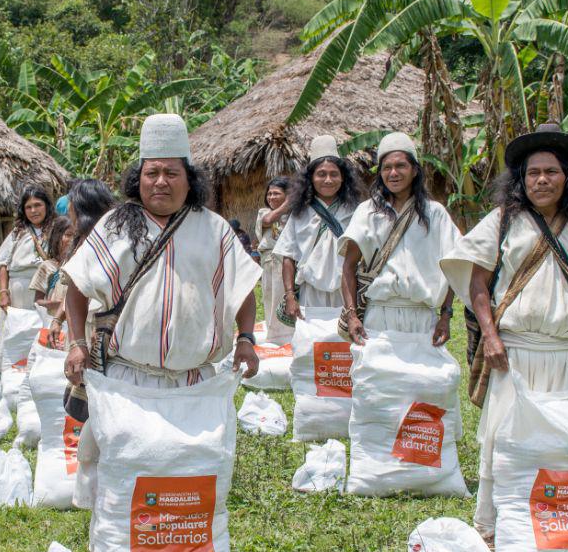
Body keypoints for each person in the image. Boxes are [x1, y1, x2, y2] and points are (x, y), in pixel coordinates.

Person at [440, 122, 568, 540]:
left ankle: (558, 527)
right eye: (532, 173)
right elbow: (478, 285)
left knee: (564, 441)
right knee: (504, 442)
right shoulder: (502, 222)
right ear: (520, 180)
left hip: (566, 356)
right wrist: (490, 337)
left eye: (551, 172)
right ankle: (496, 532)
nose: (541, 180)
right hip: (514, 354)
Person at [61, 113, 263, 391]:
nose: (160, 182)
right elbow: (76, 286)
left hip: (194, 383)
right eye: (152, 173)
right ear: (139, 179)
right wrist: (77, 344)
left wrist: (246, 339)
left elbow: (242, 290)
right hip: (126, 381)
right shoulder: (113, 226)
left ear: (189, 180)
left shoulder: (214, 229)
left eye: (171, 173)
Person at [338, 132, 461, 346]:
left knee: (425, 379)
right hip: (378, 316)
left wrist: (446, 315)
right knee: (376, 377)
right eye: (387, 168)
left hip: (423, 319)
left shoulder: (435, 213)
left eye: (401, 166)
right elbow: (348, 267)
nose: (393, 173)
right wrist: (352, 315)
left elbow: (453, 266)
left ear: (414, 170)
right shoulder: (367, 212)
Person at [273, 135, 363, 321]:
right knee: (312, 344)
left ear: (342, 178)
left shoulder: (356, 212)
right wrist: (290, 295)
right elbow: (288, 256)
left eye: (334, 174)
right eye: (321, 174)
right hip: (310, 292)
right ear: (311, 178)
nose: (328, 180)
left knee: (345, 345)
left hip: (346, 291)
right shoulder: (300, 213)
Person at [0, 186, 54, 312]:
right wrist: (4, 292)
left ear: (47, 206)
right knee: (19, 328)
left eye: (38, 205)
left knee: (45, 329)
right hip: (18, 296)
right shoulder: (17, 233)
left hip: (47, 293)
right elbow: (3, 265)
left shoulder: (57, 230)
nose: (33, 210)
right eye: (28, 207)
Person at [254, 176, 292, 342]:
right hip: (270, 261)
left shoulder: (294, 215)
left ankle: (289, 335)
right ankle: (275, 335)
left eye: (276, 193)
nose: (271, 197)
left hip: (288, 262)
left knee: (286, 296)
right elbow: (268, 221)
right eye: (269, 194)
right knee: (270, 295)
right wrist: (287, 204)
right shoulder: (265, 212)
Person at [31, 215, 75, 334]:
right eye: (68, 235)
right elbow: (37, 302)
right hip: (52, 324)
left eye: (76, 236)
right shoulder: (47, 267)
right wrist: (57, 304)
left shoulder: (81, 268)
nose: (72, 240)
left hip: (76, 326)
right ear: (57, 237)